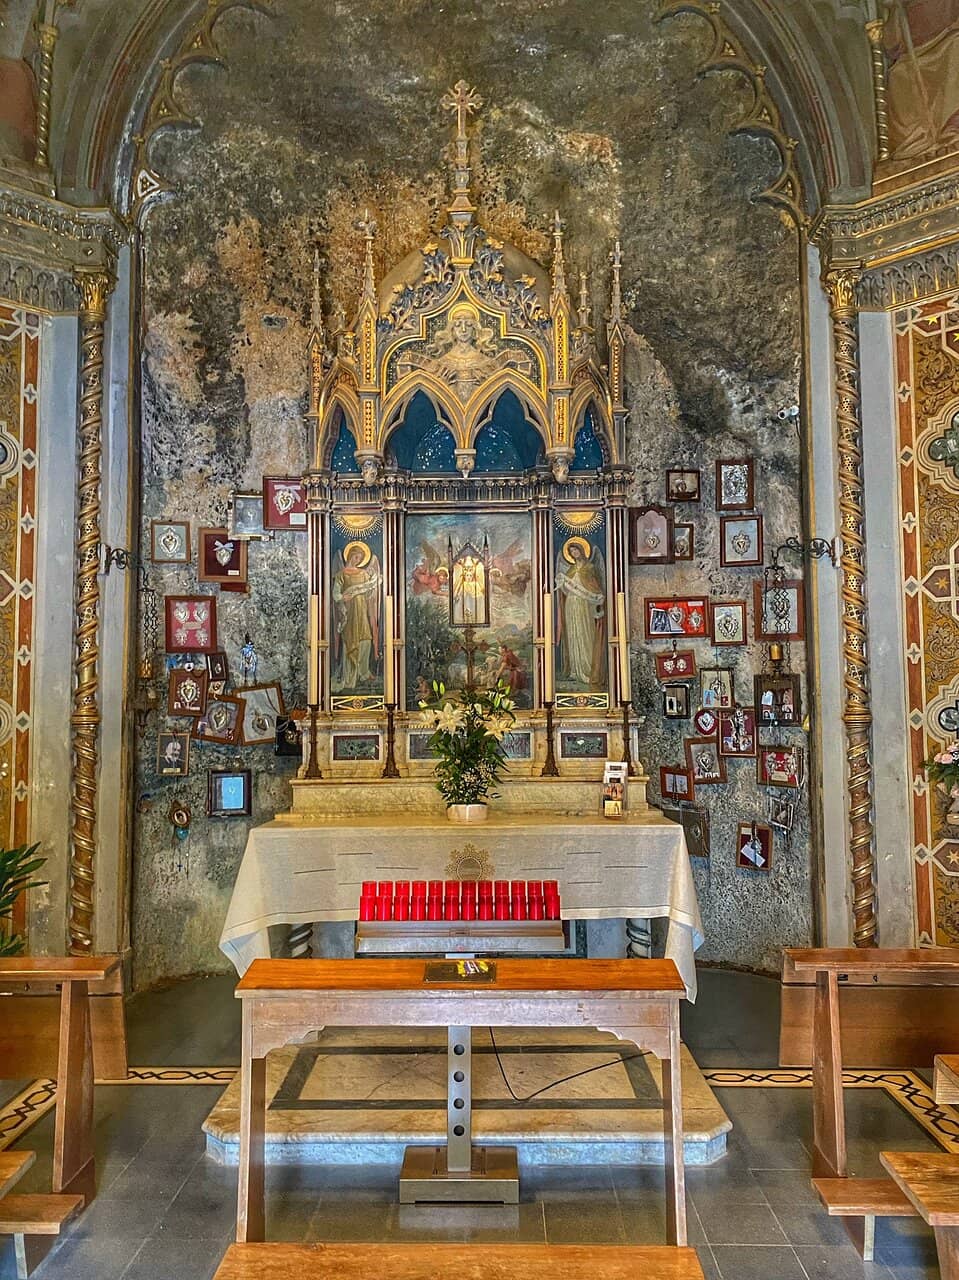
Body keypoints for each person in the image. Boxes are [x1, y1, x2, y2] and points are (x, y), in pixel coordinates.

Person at [556, 538, 606, 688]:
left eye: (576, 550)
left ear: (581, 550)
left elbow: (595, 587)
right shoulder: (570, 570)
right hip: (571, 605)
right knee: (573, 634)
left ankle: (588, 670)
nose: (574, 553)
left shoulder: (590, 567)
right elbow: (565, 589)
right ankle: (575, 670)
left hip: (584, 606)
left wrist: (596, 599)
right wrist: (562, 583)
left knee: (585, 634)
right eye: (571, 551)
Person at [332, 542, 381, 691]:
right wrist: (342, 597)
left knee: (366, 639)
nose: (357, 560)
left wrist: (373, 582)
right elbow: (335, 594)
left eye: (360, 558)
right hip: (349, 612)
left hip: (362, 610)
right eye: (356, 557)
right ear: (350, 555)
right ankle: (349, 677)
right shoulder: (341, 574)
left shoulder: (363, 574)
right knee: (350, 642)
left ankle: (363, 673)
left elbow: (369, 592)